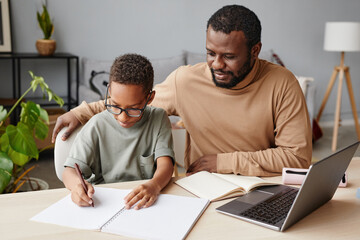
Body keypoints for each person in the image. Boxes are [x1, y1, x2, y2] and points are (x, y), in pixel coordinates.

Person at [53, 5, 312, 177]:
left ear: (255, 51)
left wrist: (225, 162)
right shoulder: (186, 81)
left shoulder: (282, 83)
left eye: (229, 56)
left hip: (263, 184)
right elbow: (134, 102)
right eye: (211, 53)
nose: (217, 64)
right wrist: (82, 111)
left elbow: (297, 157)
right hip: (203, 185)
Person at [62, 54, 174, 209]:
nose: (123, 117)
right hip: (102, 203)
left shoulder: (158, 118)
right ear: (109, 92)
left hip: (144, 202)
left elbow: (166, 165)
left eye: (133, 109)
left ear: (150, 98)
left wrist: (154, 185)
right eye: (115, 105)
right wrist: (76, 186)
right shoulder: (96, 125)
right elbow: (68, 172)